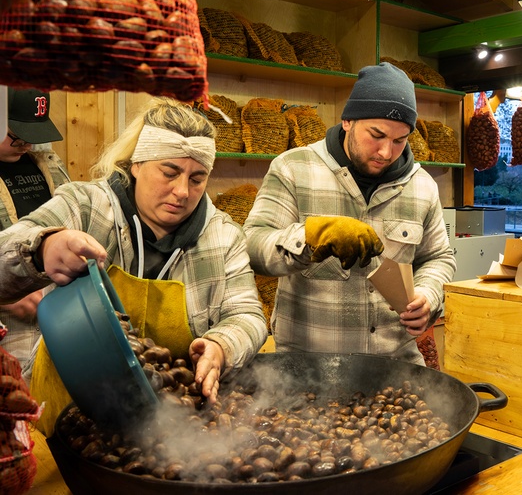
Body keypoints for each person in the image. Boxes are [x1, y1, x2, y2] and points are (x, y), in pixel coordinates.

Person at [0, 97, 268, 435]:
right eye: (169, 172)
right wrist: (42, 248)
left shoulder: (224, 236)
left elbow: (248, 315)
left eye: (197, 179)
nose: (182, 191)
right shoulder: (85, 206)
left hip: (171, 421)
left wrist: (222, 344)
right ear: (137, 164)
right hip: (66, 409)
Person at [243, 62, 456, 366]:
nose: (386, 152)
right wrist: (310, 235)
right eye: (376, 135)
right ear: (347, 121)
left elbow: (439, 258)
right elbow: (252, 245)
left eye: (399, 140)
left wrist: (428, 295)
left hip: (395, 367)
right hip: (310, 367)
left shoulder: (422, 185)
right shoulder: (293, 169)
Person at [0, 87, 70, 371]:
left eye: (34, 135)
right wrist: (7, 291)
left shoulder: (49, 165)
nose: (27, 144)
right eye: (17, 136)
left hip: (56, 324)